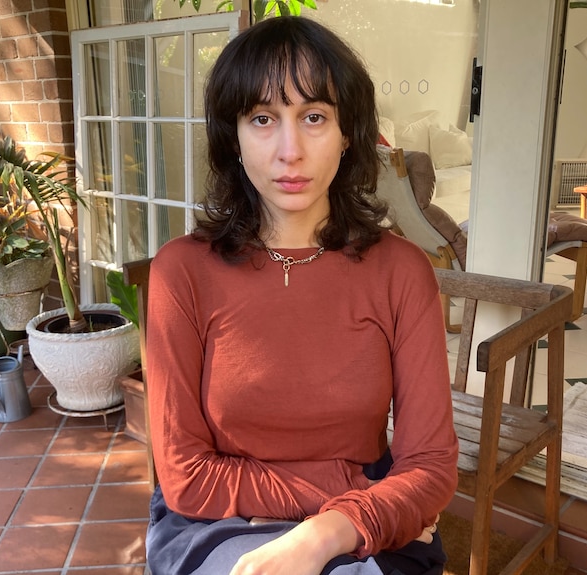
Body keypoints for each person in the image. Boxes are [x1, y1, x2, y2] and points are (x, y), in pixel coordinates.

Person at [144, 16, 459, 575]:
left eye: (314, 117)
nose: (290, 150)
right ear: (233, 137)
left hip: (364, 515)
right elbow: (186, 478)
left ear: (347, 134)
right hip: (218, 516)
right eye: (263, 118)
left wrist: (323, 535)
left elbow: (430, 465)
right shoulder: (182, 273)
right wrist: (341, 483)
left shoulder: (402, 272)